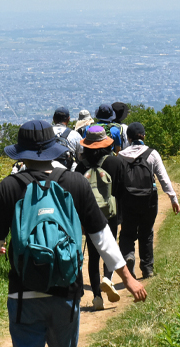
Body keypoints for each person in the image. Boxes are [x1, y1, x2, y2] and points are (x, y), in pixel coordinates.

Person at [0, 120, 146, 347]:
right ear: (53, 148)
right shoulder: (75, 182)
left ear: (21, 153)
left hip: (23, 294)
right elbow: (102, 237)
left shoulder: (9, 186)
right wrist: (128, 279)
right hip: (66, 291)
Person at [115, 122, 180, 279]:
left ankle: (128, 255)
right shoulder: (152, 154)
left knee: (127, 232)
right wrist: (173, 197)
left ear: (128, 138)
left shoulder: (121, 156)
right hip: (149, 200)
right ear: (143, 136)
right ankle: (147, 268)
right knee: (146, 233)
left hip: (127, 199)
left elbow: (117, 181)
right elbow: (163, 178)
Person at [74, 126, 123, 311]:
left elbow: (77, 193)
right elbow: (121, 189)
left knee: (93, 257)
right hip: (110, 214)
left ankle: (97, 297)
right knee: (110, 248)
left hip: (89, 215)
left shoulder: (81, 166)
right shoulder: (115, 163)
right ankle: (108, 279)